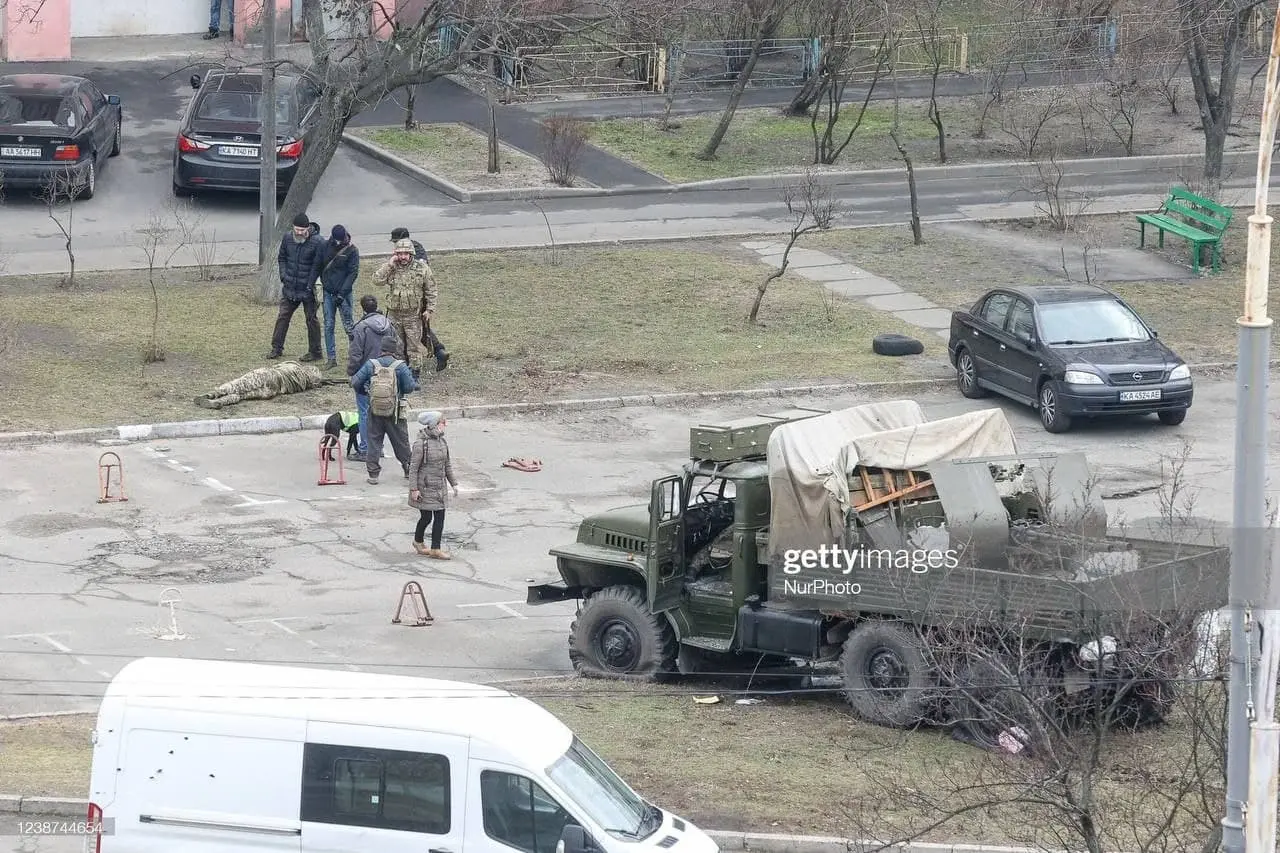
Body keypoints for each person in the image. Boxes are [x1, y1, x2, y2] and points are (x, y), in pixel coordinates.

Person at [350, 331, 418, 485]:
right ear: (394, 350)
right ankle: (408, 469)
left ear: (381, 348)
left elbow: (355, 382)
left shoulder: (371, 364)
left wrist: (366, 392)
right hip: (395, 412)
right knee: (401, 441)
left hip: (374, 410)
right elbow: (408, 387)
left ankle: (373, 475)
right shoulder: (400, 366)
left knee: (374, 441)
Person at [372, 238, 437, 380]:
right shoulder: (392, 267)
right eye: (399, 254)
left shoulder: (422, 268)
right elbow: (377, 280)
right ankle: (401, 374)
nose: (402, 257)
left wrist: (429, 310)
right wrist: (389, 265)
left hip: (413, 315)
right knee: (396, 346)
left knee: (414, 347)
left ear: (411, 253)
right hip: (394, 315)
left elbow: (431, 289)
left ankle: (414, 376)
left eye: (405, 254)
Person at [391, 226, 449, 373]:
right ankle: (438, 351)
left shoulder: (414, 251)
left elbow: (422, 273)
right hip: (412, 298)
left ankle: (436, 351)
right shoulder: (417, 247)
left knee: (416, 331)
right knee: (417, 330)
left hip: (416, 298)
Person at [268, 213, 326, 362]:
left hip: (308, 289)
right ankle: (276, 348)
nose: (299, 233)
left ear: (308, 228)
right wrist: (283, 276)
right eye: (296, 229)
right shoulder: (287, 238)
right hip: (290, 287)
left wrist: (310, 284)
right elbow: (282, 258)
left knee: (311, 320)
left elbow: (319, 265)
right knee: (282, 317)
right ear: (293, 227)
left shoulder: (318, 242)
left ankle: (315, 351)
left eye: (302, 230)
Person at [347, 294, 392, 460]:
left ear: (363, 308)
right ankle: (378, 447)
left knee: (365, 413)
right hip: (386, 375)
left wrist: (352, 373)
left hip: (366, 376)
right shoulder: (389, 325)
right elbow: (398, 347)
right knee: (381, 411)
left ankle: (366, 449)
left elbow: (355, 354)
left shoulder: (361, 328)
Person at [408, 410, 459, 559]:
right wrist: (414, 489)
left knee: (439, 515)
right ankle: (421, 543)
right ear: (434, 425)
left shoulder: (442, 442)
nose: (446, 425)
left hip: (439, 487)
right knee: (426, 517)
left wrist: (453, 483)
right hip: (425, 487)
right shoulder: (421, 444)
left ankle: (433, 548)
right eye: (443, 422)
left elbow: (447, 464)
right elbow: (413, 468)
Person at [194, 361, 326, 409]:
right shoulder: (302, 384)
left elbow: (277, 366)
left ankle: (212, 394)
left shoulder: (294, 366)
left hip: (270, 375)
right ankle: (222, 402)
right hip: (274, 390)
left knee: (238, 385)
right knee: (242, 395)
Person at [320, 225, 360, 370]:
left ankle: (355, 356)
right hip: (329, 292)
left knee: (349, 326)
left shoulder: (352, 250)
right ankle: (331, 358)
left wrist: (342, 294)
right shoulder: (326, 246)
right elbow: (321, 266)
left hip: (344, 293)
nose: (338, 242)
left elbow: (352, 273)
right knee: (328, 325)